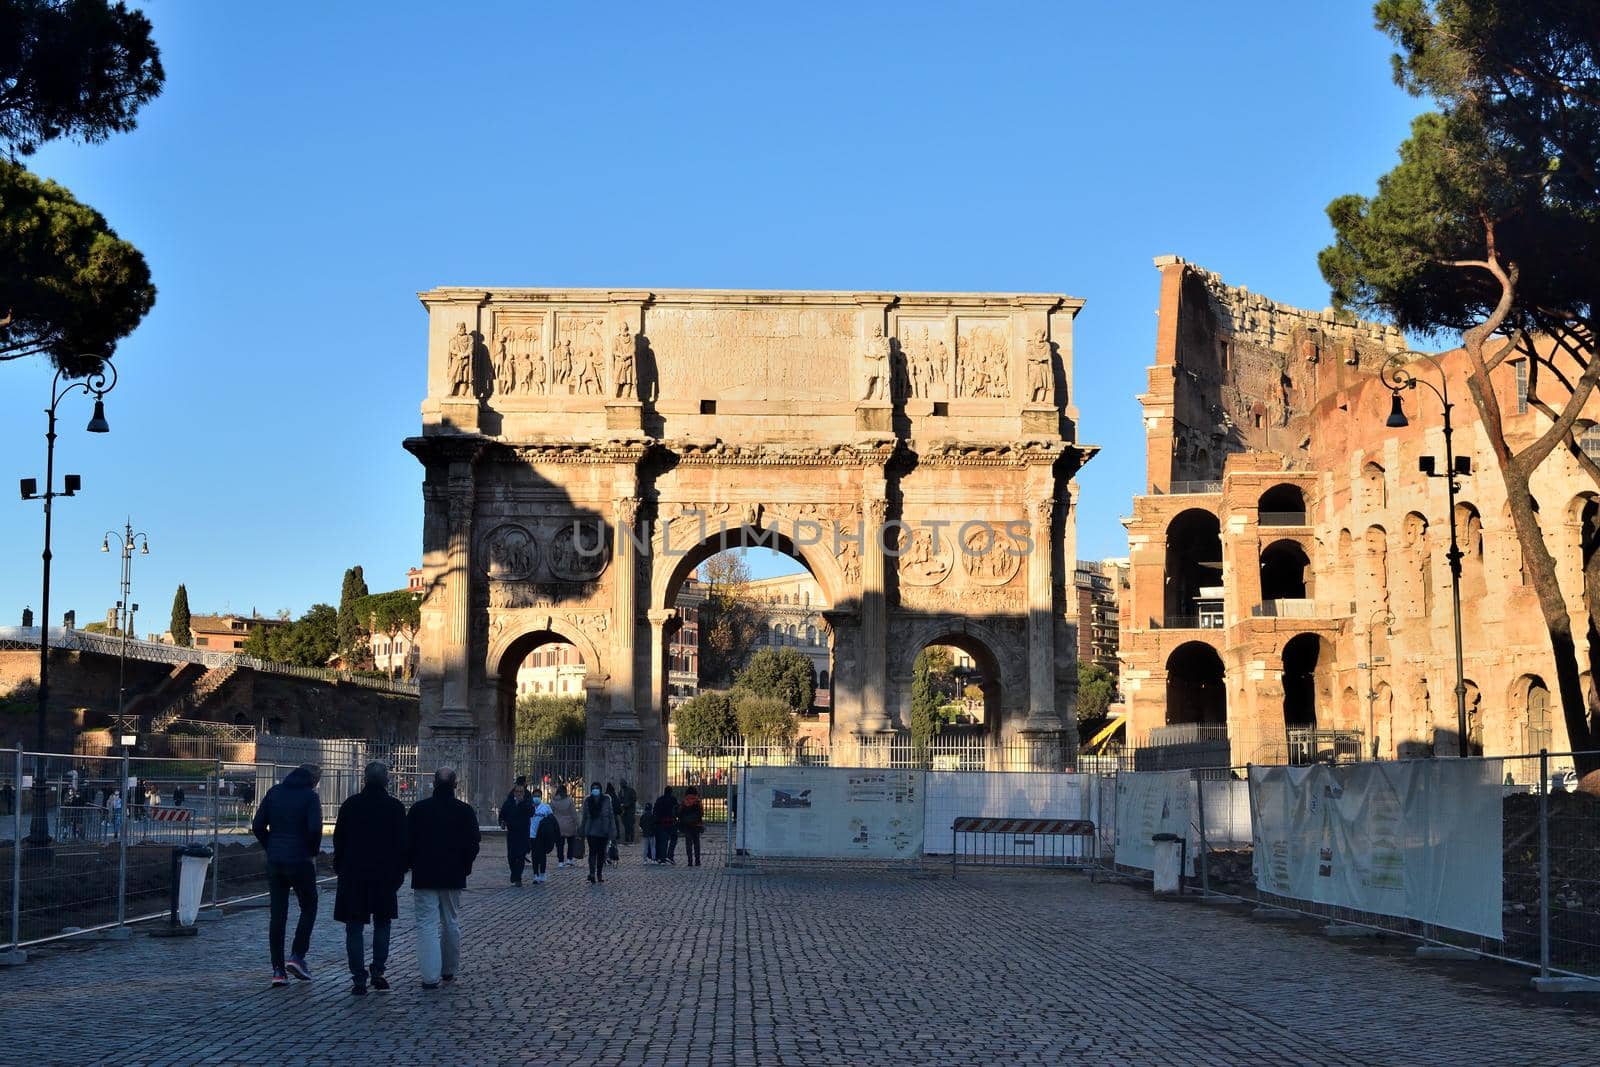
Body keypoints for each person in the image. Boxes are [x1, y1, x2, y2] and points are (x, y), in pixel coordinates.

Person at [333, 761, 407, 995]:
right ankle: (378, 971)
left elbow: (339, 841)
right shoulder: (394, 807)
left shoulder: (350, 805)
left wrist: (341, 868)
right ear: (386, 780)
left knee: (354, 927)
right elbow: (402, 845)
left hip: (354, 874)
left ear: (365, 779)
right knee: (382, 924)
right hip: (385, 875)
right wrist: (400, 871)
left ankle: (358, 977)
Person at [251, 763, 323, 986]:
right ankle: (297, 956)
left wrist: (270, 846)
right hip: (300, 859)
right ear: (312, 780)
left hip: (276, 861)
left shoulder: (274, 792)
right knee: (309, 906)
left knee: (278, 915)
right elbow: (314, 829)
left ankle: (278, 970)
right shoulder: (310, 798)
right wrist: (312, 852)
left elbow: (257, 824)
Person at [408, 768, 480, 990]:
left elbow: (407, 841)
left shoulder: (418, 810)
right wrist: (465, 867)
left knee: (426, 924)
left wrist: (412, 864)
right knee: (450, 921)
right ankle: (449, 969)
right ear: (456, 785)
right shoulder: (465, 811)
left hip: (424, 873)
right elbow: (473, 843)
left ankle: (429, 976)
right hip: (453, 873)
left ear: (433, 783)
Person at [498, 776, 534, 886]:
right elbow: (503, 813)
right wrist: (502, 822)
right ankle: (514, 873)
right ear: (514, 792)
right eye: (517, 791)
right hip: (512, 832)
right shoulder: (509, 801)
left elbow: (531, 812)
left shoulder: (527, 800)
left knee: (521, 855)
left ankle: (518, 877)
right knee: (511, 855)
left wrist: (522, 803)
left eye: (521, 792)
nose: (518, 793)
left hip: (523, 832)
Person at [578, 781, 615, 884]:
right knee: (592, 852)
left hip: (603, 831)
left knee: (601, 854)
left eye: (597, 788)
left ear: (600, 789)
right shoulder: (587, 801)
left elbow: (611, 816)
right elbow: (584, 816)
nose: (595, 790)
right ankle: (592, 873)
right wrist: (581, 829)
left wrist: (613, 830)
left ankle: (599, 873)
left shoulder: (606, 800)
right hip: (591, 831)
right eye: (593, 788)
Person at [529, 791, 557, 884]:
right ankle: (535, 874)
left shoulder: (546, 807)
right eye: (534, 796)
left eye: (538, 796)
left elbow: (551, 819)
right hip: (532, 834)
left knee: (542, 855)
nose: (536, 797)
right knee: (534, 855)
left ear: (541, 797)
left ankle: (542, 873)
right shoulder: (529, 807)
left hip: (542, 835)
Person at [550, 785, 579, 868]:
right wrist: (578, 824)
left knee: (559, 844)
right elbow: (574, 814)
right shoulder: (569, 800)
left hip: (558, 825)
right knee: (571, 843)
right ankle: (569, 859)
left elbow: (550, 812)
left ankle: (560, 861)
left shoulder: (553, 800)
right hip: (569, 824)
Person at [679, 787, 705, 867]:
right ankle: (697, 861)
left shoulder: (684, 801)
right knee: (697, 843)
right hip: (696, 825)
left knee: (688, 844)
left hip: (687, 825)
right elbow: (701, 813)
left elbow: (680, 813)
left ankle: (690, 861)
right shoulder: (697, 801)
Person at [652, 787, 678, 866]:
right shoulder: (673, 799)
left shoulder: (660, 800)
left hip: (661, 823)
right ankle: (670, 855)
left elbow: (655, 811)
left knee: (663, 841)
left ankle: (662, 858)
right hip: (671, 822)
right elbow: (677, 810)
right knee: (674, 838)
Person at [618, 779, 638, 844]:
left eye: (622, 784)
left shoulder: (631, 790)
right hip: (624, 811)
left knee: (630, 825)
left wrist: (627, 805)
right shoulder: (621, 791)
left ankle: (631, 839)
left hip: (630, 811)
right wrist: (621, 805)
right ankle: (627, 839)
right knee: (626, 825)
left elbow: (634, 799)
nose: (621, 785)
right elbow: (620, 799)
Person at [639, 797, 657, 862]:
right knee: (653, 847)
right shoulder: (652, 815)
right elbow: (655, 824)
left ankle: (644, 860)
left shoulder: (643, 816)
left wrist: (644, 828)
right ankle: (653, 859)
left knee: (645, 847)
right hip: (652, 833)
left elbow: (640, 824)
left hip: (645, 833)